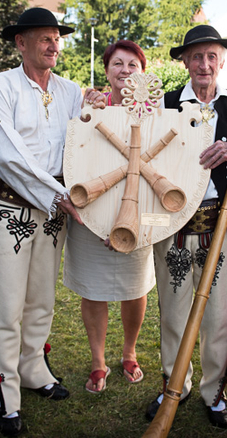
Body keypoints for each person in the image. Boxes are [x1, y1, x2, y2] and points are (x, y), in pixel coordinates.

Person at [0, 7, 104, 436]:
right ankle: (7, 393)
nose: (53, 46)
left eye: (57, 38)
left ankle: (33, 369)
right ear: (21, 43)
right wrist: (57, 194)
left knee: (41, 301)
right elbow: (4, 153)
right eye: (44, 38)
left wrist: (97, 108)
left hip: (54, 211)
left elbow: (84, 138)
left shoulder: (69, 90)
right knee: (8, 305)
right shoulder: (1, 86)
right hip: (9, 207)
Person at [147, 24, 227, 428]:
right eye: (197, 56)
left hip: (222, 227)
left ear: (222, 61)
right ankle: (174, 385)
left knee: (218, 315)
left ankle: (214, 391)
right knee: (174, 312)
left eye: (212, 56)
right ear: (185, 61)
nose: (204, 64)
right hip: (173, 227)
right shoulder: (165, 104)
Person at [63, 40, 154, 394]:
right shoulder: (90, 107)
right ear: (106, 70)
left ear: (143, 73)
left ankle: (129, 352)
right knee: (93, 287)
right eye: (118, 63)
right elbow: (75, 155)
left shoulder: (155, 111)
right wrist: (98, 220)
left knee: (134, 287)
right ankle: (98, 361)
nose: (125, 71)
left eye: (133, 65)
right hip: (90, 212)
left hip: (138, 213)